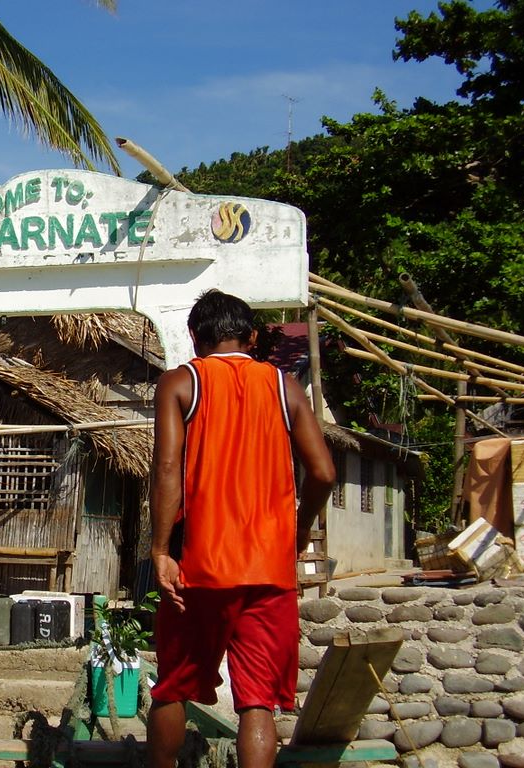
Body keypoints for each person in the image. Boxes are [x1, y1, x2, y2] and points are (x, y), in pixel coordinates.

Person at [146, 290, 336, 768]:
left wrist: (160, 549)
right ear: (252, 337)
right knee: (257, 702)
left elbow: (167, 468)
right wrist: (296, 535)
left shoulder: (179, 383)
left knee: (172, 687)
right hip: (269, 570)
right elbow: (325, 473)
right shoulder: (283, 385)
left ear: (194, 337)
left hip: (200, 566)